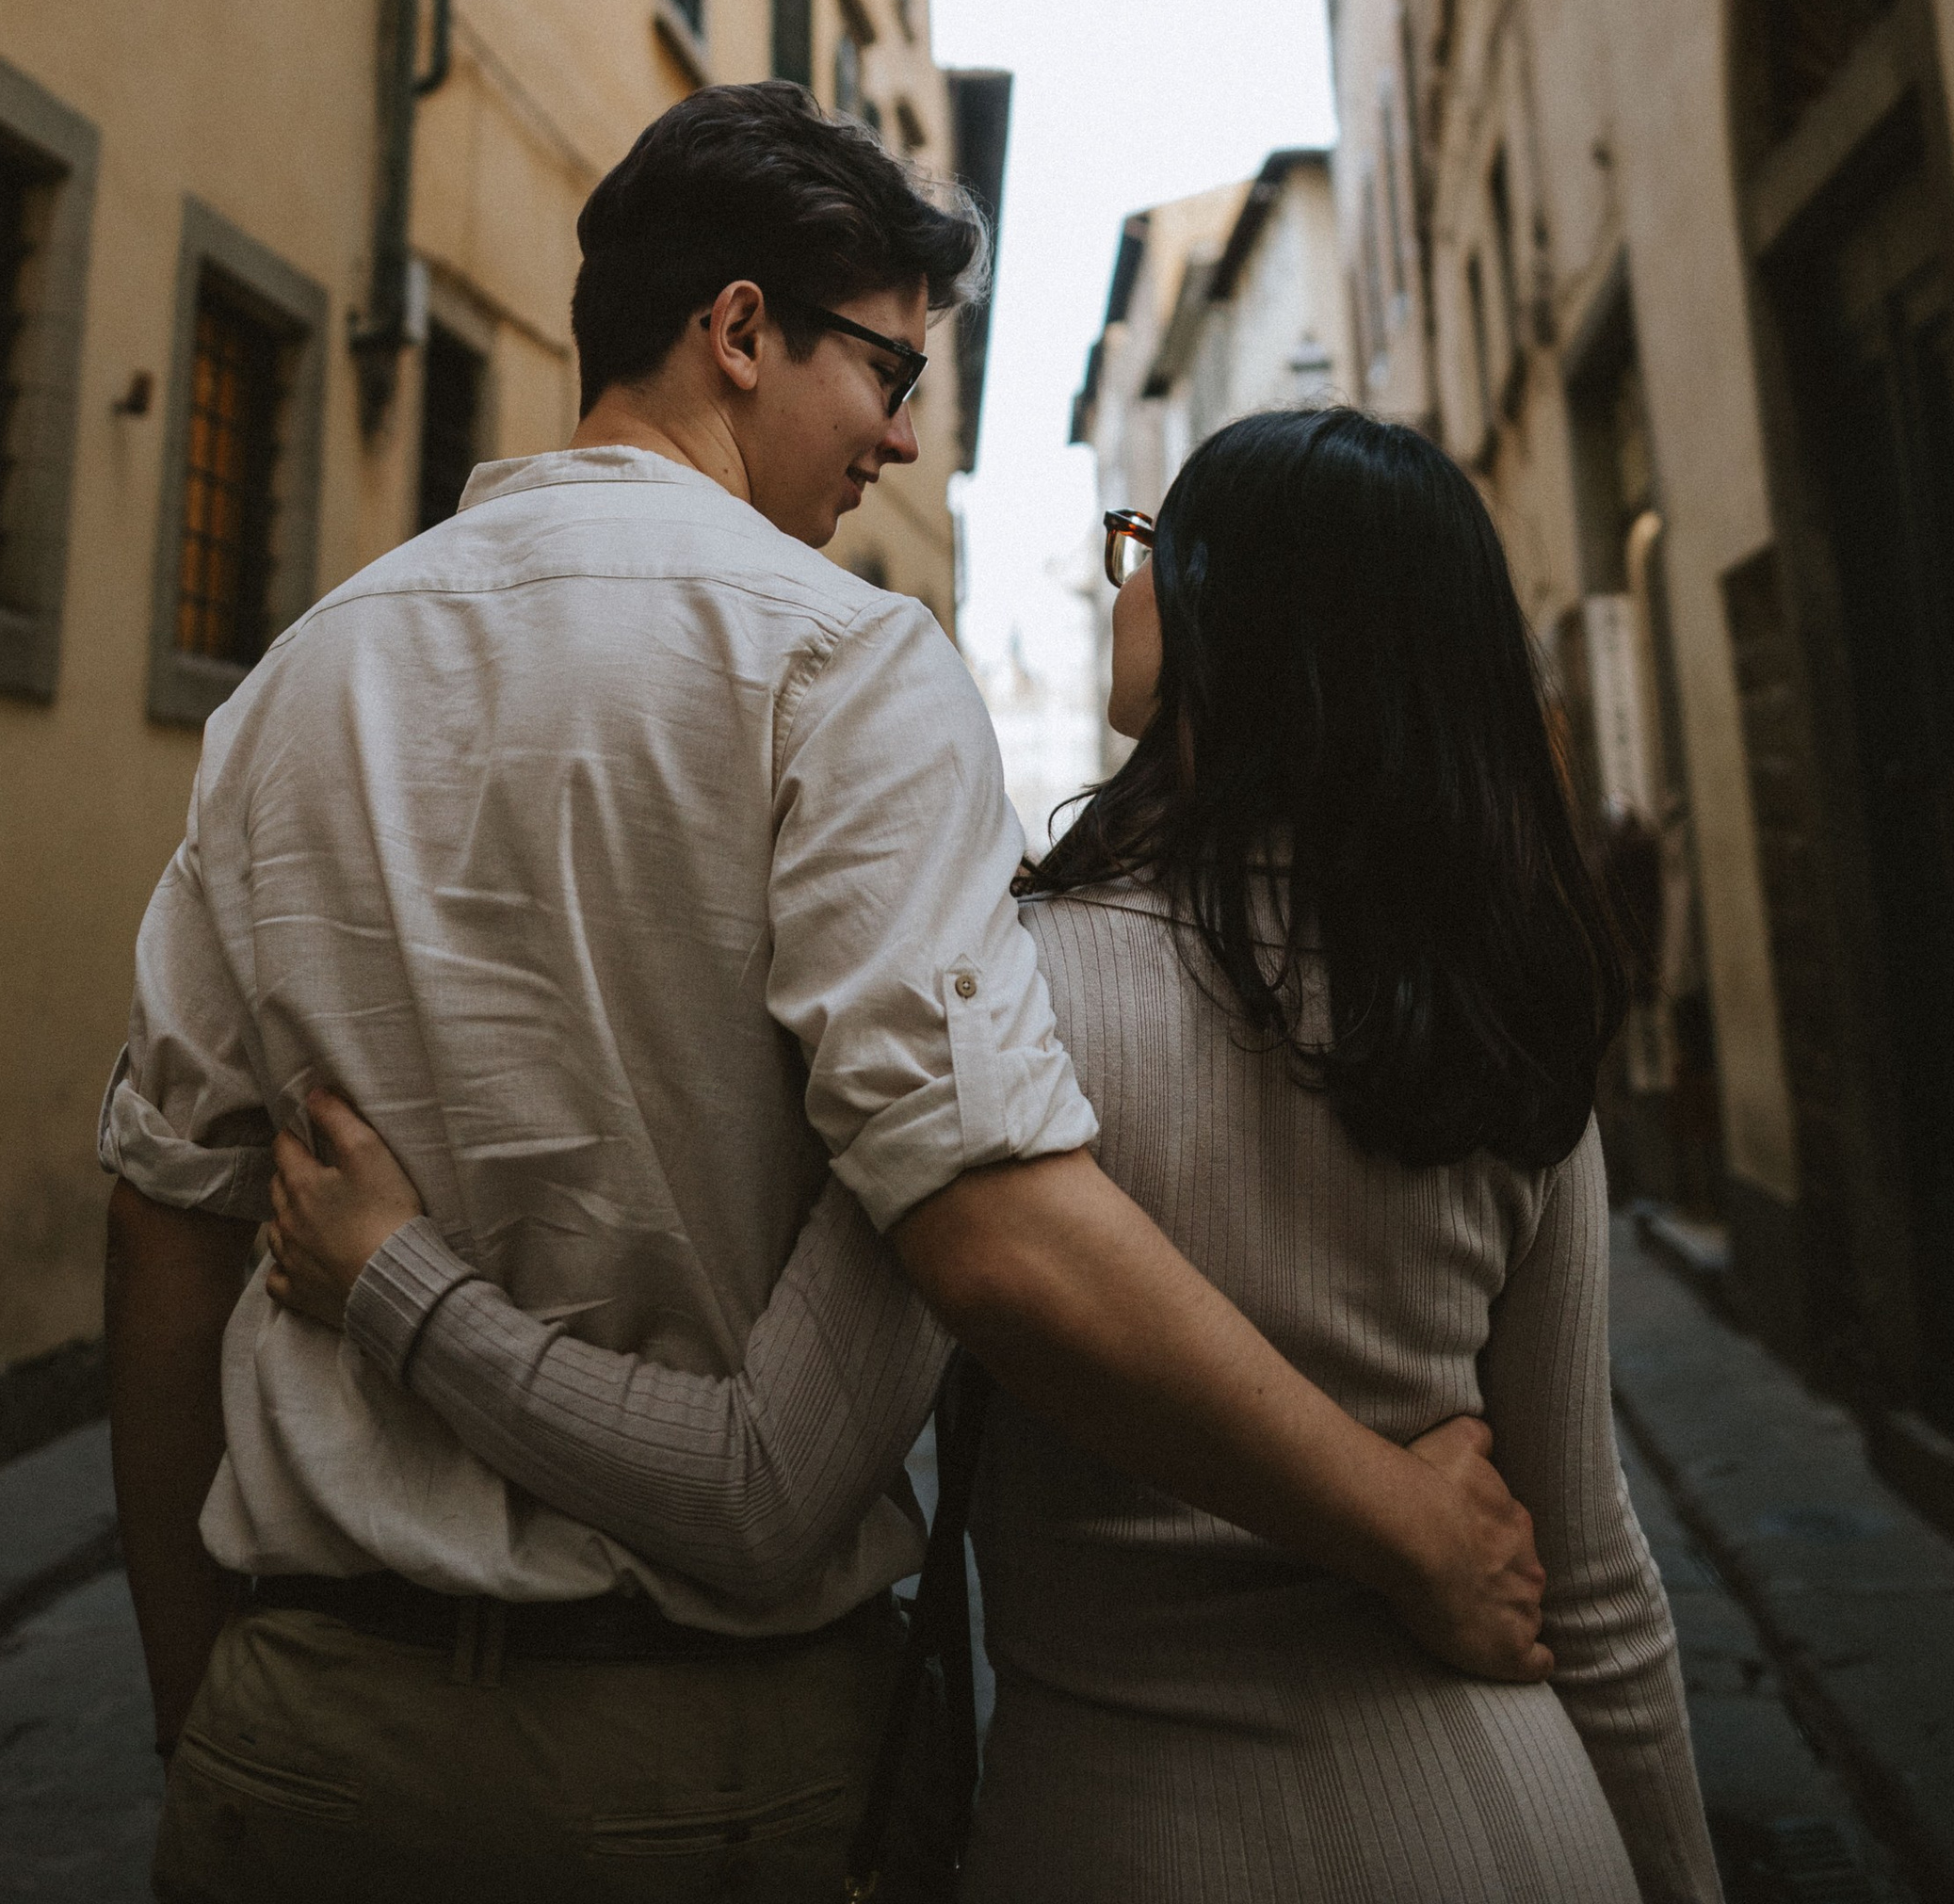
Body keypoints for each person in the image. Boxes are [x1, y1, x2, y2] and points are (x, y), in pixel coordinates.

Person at [104, 93, 1549, 1903]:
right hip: (703, 1761)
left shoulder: (292, 687)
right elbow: (991, 1233)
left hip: (296, 1732)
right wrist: (1406, 1521)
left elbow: (166, 1221)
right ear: (735, 329)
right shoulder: (844, 663)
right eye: (885, 366)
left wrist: (196, 1700)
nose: (900, 433)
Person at [266, 405, 1723, 1903]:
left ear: (1246, 614)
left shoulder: (1008, 1001)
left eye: (1149, 542)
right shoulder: (1497, 1006)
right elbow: (1600, 1592)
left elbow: (762, 1491)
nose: (1124, 576)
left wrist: (399, 1282)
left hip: (1138, 1834)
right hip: (1526, 1829)